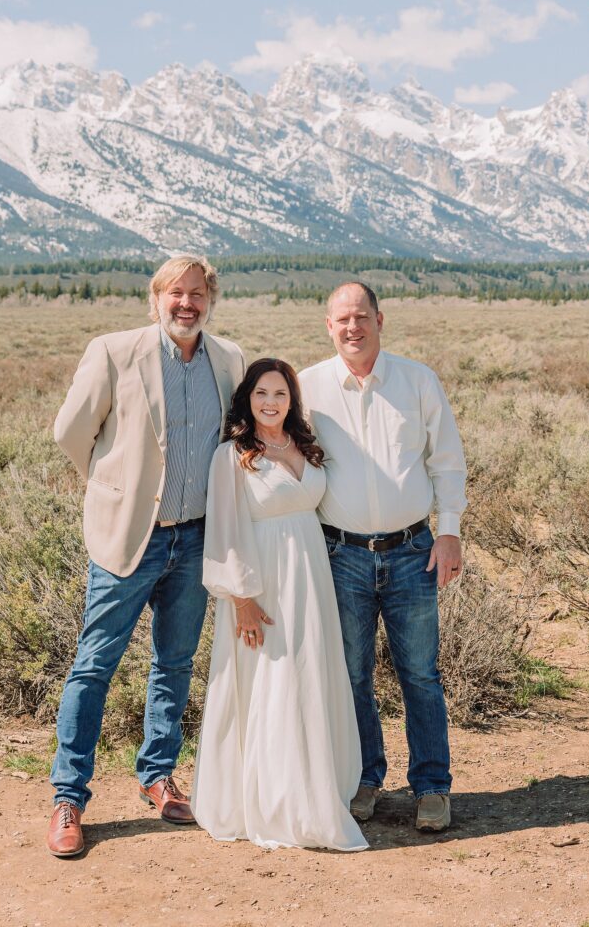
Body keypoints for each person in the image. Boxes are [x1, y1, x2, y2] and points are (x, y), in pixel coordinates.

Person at [46, 254, 245, 857]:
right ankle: (68, 798)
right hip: (129, 537)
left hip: (194, 539)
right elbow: (70, 431)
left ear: (210, 300)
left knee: (175, 662)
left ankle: (157, 774)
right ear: (155, 298)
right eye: (175, 294)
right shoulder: (113, 351)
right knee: (93, 666)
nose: (186, 304)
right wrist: (113, 485)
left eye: (197, 294)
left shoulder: (229, 360)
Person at [298, 282, 467, 832]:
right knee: (350, 674)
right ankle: (364, 777)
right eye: (342, 318)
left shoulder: (418, 381)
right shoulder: (308, 388)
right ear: (329, 326)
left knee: (420, 673)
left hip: (413, 551)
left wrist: (450, 532)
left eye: (362, 316)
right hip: (339, 553)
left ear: (380, 319)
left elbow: (446, 461)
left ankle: (432, 787)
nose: (353, 327)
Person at [192, 358, 367, 852]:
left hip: (310, 577)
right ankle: (274, 798)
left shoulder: (305, 448)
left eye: (281, 394)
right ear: (247, 398)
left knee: (309, 673)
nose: (271, 403)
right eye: (261, 394)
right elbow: (224, 530)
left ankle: (316, 785)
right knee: (271, 679)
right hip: (262, 580)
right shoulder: (233, 455)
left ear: (293, 401)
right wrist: (242, 599)